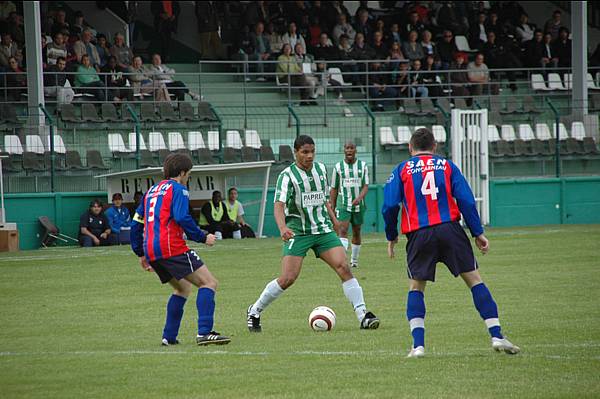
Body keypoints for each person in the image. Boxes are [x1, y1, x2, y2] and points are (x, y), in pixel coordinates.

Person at [382, 127, 520, 358]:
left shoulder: (402, 169)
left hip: (419, 234)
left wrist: (391, 235)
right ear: (434, 147)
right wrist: (477, 232)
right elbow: (465, 199)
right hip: (450, 229)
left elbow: (389, 206)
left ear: (410, 147)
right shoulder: (446, 166)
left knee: (416, 287)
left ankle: (418, 347)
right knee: (474, 280)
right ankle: (496, 335)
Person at [246, 135, 380, 332]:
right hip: (298, 232)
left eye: (312, 152)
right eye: (305, 152)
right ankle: (255, 310)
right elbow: (278, 205)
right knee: (288, 278)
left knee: (343, 266)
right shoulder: (287, 176)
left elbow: (324, 199)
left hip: (323, 230)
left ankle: (363, 316)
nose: (309, 156)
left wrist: (335, 222)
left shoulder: (320, 170)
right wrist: (283, 228)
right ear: (296, 153)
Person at [130, 153, 231, 346]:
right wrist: (203, 236)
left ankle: (169, 337)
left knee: (183, 288)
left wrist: (140, 252)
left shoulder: (151, 191)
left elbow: (136, 223)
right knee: (209, 283)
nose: (188, 178)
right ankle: (205, 333)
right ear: (182, 172)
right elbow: (181, 217)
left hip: (152, 250)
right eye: (188, 174)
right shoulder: (179, 189)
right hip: (171, 247)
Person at [330, 141, 369, 268]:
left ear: (355, 150)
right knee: (342, 230)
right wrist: (332, 205)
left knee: (357, 231)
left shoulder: (363, 166)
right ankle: (343, 261)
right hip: (343, 204)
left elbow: (365, 186)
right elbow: (334, 188)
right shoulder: (338, 167)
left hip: (358, 205)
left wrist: (360, 197)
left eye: (352, 148)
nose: (349, 150)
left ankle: (354, 260)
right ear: (344, 150)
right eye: (347, 148)